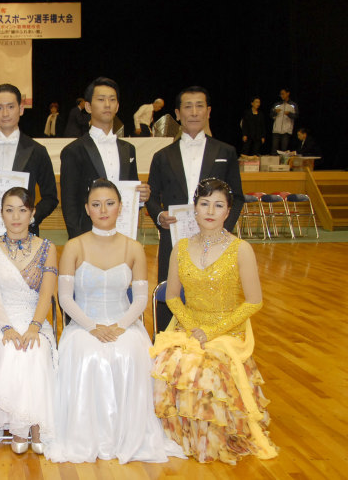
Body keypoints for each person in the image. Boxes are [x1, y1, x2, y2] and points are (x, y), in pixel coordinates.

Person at [46, 179, 183, 464]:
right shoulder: (73, 246)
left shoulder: (133, 247)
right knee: (86, 353)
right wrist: (92, 327)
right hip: (84, 323)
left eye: (109, 203)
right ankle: (85, 435)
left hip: (124, 322)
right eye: (96, 204)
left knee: (129, 352)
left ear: (120, 207)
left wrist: (120, 326)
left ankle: (128, 434)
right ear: (87, 209)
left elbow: (140, 299)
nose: (103, 210)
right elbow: (66, 298)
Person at [151, 178, 278, 464]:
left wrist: (212, 332)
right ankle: (179, 435)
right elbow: (172, 297)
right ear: (194, 209)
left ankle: (209, 437)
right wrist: (192, 328)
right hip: (189, 327)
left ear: (228, 211)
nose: (210, 211)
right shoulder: (181, 247)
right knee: (163, 366)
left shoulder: (241, 249)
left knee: (205, 370)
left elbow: (254, 301)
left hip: (227, 331)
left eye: (218, 205)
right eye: (204, 204)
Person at [146, 86, 244, 333]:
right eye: (187, 107)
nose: (194, 112)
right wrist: (159, 215)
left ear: (208, 111)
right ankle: (167, 347)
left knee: (212, 295)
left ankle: (213, 342)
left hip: (216, 242)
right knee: (170, 294)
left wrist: (222, 230)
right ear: (178, 114)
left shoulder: (225, 152)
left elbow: (237, 197)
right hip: (173, 240)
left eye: (199, 106)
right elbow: (151, 196)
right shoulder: (162, 156)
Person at [0, 187, 58, 455]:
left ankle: (37, 425)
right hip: (0, 322)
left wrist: (34, 327)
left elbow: (46, 294)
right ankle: (21, 428)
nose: (16, 217)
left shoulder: (47, 248)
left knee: (36, 349)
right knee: (12, 350)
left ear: (32, 213)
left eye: (22, 210)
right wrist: (7, 328)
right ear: (1, 214)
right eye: (9, 210)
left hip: (35, 319)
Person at [0, 83, 58, 265]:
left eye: (10, 107)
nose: (5, 113)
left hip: (26, 237)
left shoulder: (37, 151)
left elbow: (51, 197)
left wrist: (30, 217)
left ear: (21, 109)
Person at [60, 77, 150, 239]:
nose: (107, 104)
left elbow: (130, 196)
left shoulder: (128, 150)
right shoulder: (73, 151)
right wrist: (79, 242)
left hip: (122, 235)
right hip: (88, 237)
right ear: (88, 106)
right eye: (101, 99)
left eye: (112, 100)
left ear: (117, 106)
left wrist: (140, 197)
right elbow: (69, 204)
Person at [270, 88, 298, 153]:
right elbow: (271, 115)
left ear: (288, 93)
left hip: (286, 131)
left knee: (284, 150)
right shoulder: (277, 105)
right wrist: (275, 112)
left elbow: (296, 116)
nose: (281, 95)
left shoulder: (293, 105)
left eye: (283, 94)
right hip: (276, 130)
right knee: (274, 149)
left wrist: (289, 114)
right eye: (281, 94)